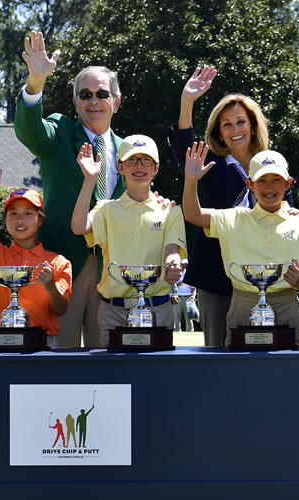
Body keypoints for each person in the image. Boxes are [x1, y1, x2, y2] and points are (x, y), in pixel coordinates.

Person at [168, 66, 294, 347]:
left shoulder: (273, 164)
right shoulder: (212, 163)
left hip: (266, 276)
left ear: (253, 125)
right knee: (217, 351)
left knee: (265, 350)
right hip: (216, 275)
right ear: (219, 132)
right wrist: (187, 102)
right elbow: (185, 151)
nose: (235, 129)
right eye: (226, 124)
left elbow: (289, 213)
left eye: (240, 122)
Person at [15, 31, 127, 347]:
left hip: (110, 270)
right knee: (60, 357)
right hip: (63, 265)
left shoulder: (129, 151)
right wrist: (36, 82)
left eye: (102, 94)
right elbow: (30, 131)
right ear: (75, 102)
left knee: (105, 356)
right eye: (85, 94)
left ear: (116, 102)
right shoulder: (60, 132)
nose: (93, 100)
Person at [184, 145, 299, 346]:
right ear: (250, 184)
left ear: (288, 183)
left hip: (287, 304)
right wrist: (191, 180)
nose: (269, 187)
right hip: (243, 303)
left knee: (289, 364)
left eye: (276, 180)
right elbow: (193, 215)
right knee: (241, 364)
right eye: (262, 180)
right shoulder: (233, 218)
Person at [71, 135, 186, 345]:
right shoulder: (106, 209)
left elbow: (172, 251)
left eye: (146, 160)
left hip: (158, 309)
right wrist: (89, 180)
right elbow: (78, 227)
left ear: (156, 168)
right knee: (113, 368)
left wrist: (173, 266)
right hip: (113, 312)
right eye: (131, 160)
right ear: (120, 167)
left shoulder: (170, 211)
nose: (139, 166)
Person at [0, 158, 72, 347]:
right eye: (13, 213)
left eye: (28, 213)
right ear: (5, 220)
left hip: (45, 342)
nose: (20, 219)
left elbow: (61, 309)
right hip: (5, 338)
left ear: (40, 220)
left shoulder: (58, 262)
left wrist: (51, 287)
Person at [171, 260, 194, 332]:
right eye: (183, 264)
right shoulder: (175, 273)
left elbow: (193, 288)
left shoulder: (189, 273)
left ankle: (190, 332)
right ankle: (177, 331)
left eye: (186, 264)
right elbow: (171, 286)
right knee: (176, 317)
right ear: (180, 264)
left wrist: (193, 296)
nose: (184, 266)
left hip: (188, 298)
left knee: (189, 318)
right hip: (177, 297)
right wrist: (178, 284)